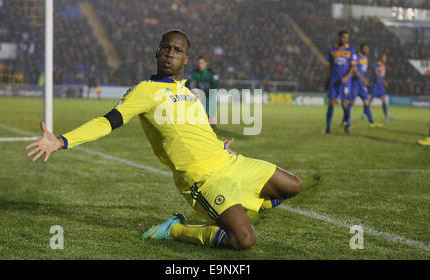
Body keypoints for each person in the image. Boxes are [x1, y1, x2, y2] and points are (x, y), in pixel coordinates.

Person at [24, 29, 302, 250]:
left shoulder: (188, 92)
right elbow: (109, 121)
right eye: (166, 47)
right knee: (244, 240)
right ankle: (176, 230)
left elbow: (196, 129)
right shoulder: (145, 91)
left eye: (177, 50)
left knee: (293, 185)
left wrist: (219, 145)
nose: (170, 53)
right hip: (202, 178)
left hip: (229, 162)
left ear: (186, 59)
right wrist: (62, 141)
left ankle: (239, 207)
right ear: (157, 53)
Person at [324, 30, 357, 134]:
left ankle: (347, 123)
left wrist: (346, 77)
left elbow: (353, 66)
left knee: (344, 104)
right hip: (334, 80)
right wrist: (328, 78)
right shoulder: (332, 50)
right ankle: (328, 128)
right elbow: (328, 65)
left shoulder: (351, 50)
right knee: (331, 103)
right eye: (344, 37)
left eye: (347, 38)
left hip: (345, 81)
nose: (346, 40)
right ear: (339, 37)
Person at [346, 43, 383, 128]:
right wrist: (363, 79)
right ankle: (346, 120)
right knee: (351, 103)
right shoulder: (356, 57)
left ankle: (372, 122)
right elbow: (354, 70)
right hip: (355, 83)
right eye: (365, 48)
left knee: (366, 102)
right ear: (361, 49)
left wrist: (364, 79)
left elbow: (362, 71)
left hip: (361, 85)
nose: (367, 50)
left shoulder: (366, 58)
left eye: (367, 48)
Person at [185, 56, 220, 128]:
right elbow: (188, 84)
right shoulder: (193, 73)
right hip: (198, 98)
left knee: (211, 121)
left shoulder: (211, 73)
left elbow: (216, 84)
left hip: (209, 98)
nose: (200, 65)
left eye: (202, 63)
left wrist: (205, 92)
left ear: (205, 63)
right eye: (198, 63)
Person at [369, 54, 395, 120]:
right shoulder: (377, 64)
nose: (385, 59)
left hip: (380, 84)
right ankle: (364, 113)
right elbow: (376, 73)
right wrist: (383, 81)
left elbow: (382, 71)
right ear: (380, 58)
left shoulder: (383, 65)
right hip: (375, 84)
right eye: (384, 58)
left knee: (384, 99)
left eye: (386, 58)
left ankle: (386, 116)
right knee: (371, 99)